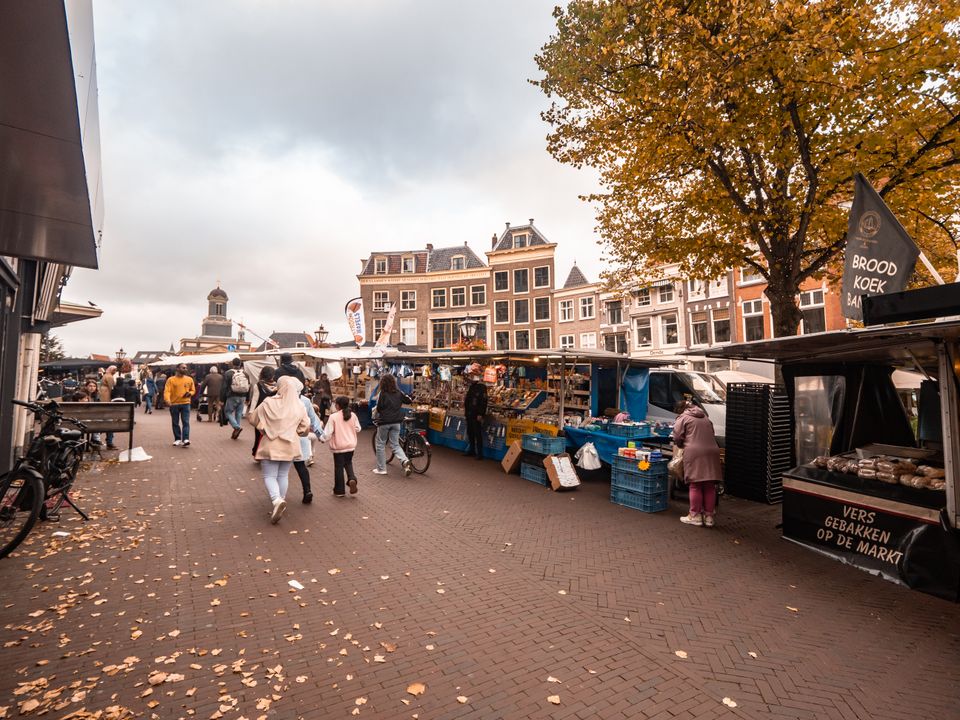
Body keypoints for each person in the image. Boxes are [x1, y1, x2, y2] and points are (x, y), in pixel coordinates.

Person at [249, 376, 310, 523]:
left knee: (269, 475)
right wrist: (296, 432)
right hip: (290, 445)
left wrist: (264, 428)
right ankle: (280, 500)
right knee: (283, 475)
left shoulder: (268, 402)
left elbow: (253, 419)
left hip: (271, 443)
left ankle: (276, 500)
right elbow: (305, 427)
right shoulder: (299, 405)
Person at [673, 400, 722, 527]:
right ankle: (709, 517)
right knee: (709, 484)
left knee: (695, 484)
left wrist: (680, 445)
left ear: (680, 410)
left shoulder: (684, 417)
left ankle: (694, 515)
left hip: (695, 452)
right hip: (712, 451)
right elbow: (712, 433)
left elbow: (677, 436)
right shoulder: (705, 417)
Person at [373, 373, 413, 477]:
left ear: (383, 383)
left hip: (385, 422)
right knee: (395, 444)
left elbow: (380, 407)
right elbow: (408, 401)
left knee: (381, 444)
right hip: (396, 422)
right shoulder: (398, 392)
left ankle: (381, 469)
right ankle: (404, 461)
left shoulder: (383, 393)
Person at [322, 396, 361, 497]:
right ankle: (352, 479)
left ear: (338, 405)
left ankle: (339, 490)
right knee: (348, 463)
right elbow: (358, 429)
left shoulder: (333, 417)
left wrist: (322, 439)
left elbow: (328, 432)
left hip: (339, 446)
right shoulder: (353, 415)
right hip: (351, 445)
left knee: (338, 467)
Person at [292, 394, 325, 503]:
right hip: (301, 436)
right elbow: (314, 418)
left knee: (281, 470)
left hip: (284, 437)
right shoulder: (305, 400)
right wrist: (320, 434)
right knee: (301, 466)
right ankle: (307, 490)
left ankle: (278, 497)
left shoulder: (279, 397)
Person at [164, 362, 196, 447]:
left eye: (186, 368)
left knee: (186, 422)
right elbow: (167, 391)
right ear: (177, 369)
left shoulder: (189, 379)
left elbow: (193, 390)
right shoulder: (171, 380)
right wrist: (167, 400)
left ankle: (186, 439)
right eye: (183, 368)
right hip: (174, 404)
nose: (185, 369)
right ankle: (177, 439)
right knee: (175, 422)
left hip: (186, 403)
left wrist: (190, 393)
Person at [249, 366, 278, 458]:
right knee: (271, 434)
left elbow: (255, 399)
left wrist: (251, 412)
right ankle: (270, 452)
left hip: (261, 411)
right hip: (274, 412)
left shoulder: (258, 385)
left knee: (259, 433)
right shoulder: (277, 385)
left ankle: (257, 453)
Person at [222, 358, 249, 440]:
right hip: (243, 396)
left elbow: (224, 387)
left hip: (232, 395)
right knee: (238, 414)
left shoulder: (228, 373)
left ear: (232, 364)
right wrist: (248, 398)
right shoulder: (245, 373)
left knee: (228, 412)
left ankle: (236, 427)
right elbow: (249, 385)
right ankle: (236, 431)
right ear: (240, 364)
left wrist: (222, 399)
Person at [463, 378, 488, 460]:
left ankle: (480, 453)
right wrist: (466, 413)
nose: (470, 379)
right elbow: (468, 400)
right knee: (470, 433)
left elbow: (484, 401)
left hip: (476, 414)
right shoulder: (471, 387)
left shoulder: (482, 387)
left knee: (477, 434)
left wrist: (480, 413)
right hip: (469, 414)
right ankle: (472, 450)